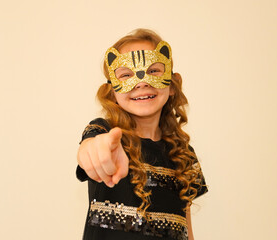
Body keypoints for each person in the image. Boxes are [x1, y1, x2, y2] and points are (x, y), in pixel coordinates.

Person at [76, 28, 208, 240]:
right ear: (113, 92)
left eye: (154, 71)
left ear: (172, 85)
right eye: (126, 75)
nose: (142, 82)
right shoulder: (105, 134)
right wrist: (94, 150)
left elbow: (186, 229)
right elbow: (90, 148)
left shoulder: (184, 154)